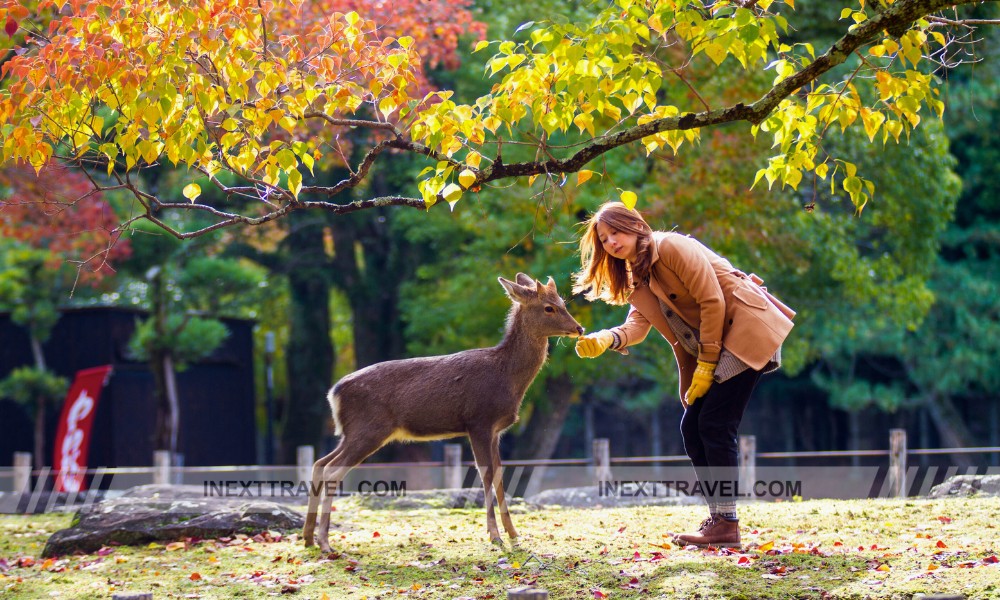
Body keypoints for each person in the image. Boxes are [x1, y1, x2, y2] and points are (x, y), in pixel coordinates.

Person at [572, 201, 796, 548]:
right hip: (718, 342)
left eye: (615, 231)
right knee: (692, 427)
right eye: (603, 239)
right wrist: (608, 338)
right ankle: (720, 520)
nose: (611, 242)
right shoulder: (637, 274)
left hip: (745, 328)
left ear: (634, 225)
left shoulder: (670, 247)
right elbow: (639, 323)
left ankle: (726, 524)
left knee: (715, 425)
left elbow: (713, 301)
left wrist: (706, 365)